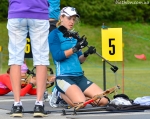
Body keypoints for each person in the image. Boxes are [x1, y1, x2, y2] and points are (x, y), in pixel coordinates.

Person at [48, 6, 109, 109]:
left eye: (73, 19)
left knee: (104, 101)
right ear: (61, 17)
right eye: (69, 18)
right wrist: (75, 48)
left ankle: (79, 94)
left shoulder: (74, 36)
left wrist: (86, 53)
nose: (72, 22)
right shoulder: (54, 34)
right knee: (80, 104)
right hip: (64, 77)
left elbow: (80, 60)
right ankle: (59, 94)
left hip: (79, 77)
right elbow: (57, 56)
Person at [7, 0, 50, 117]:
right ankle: (39, 104)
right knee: (41, 58)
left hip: (17, 10)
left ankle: (17, 104)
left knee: (15, 59)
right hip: (39, 11)